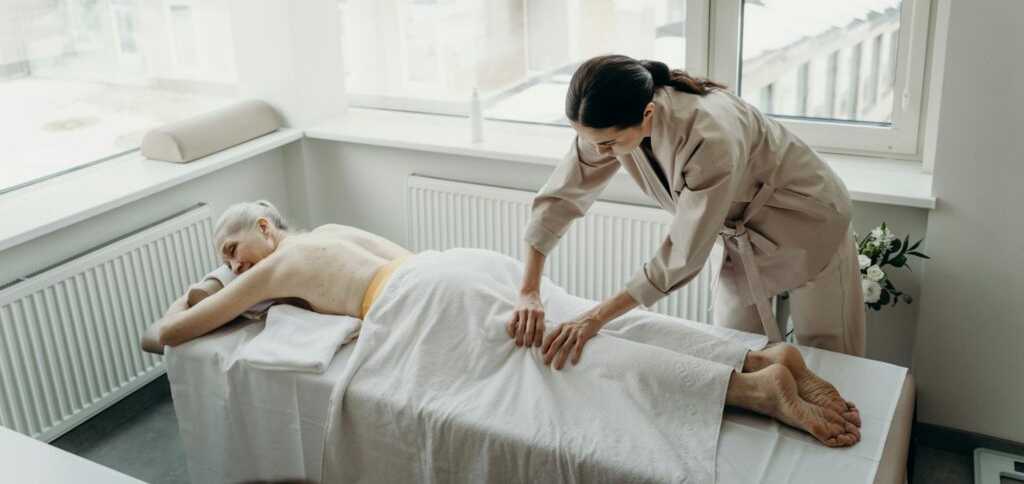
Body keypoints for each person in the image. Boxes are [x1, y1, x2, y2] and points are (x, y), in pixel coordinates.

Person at [151, 200, 862, 448]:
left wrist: (200, 288)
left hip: (417, 299)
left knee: (568, 363)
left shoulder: (272, 267)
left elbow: (166, 334)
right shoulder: (328, 230)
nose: (229, 266)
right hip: (456, 267)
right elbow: (405, 262)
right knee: (583, 326)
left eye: (229, 250)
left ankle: (756, 391)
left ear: (264, 226)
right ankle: (754, 360)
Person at [510, 54, 865, 365]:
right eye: (591, 142)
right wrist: (529, 290)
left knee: (829, 352)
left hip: (809, 221)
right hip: (741, 235)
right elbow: (561, 196)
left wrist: (595, 318)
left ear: (647, 113)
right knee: (736, 351)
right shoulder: (613, 120)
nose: (599, 152)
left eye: (608, 144)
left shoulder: (708, 139)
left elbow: (682, 254)